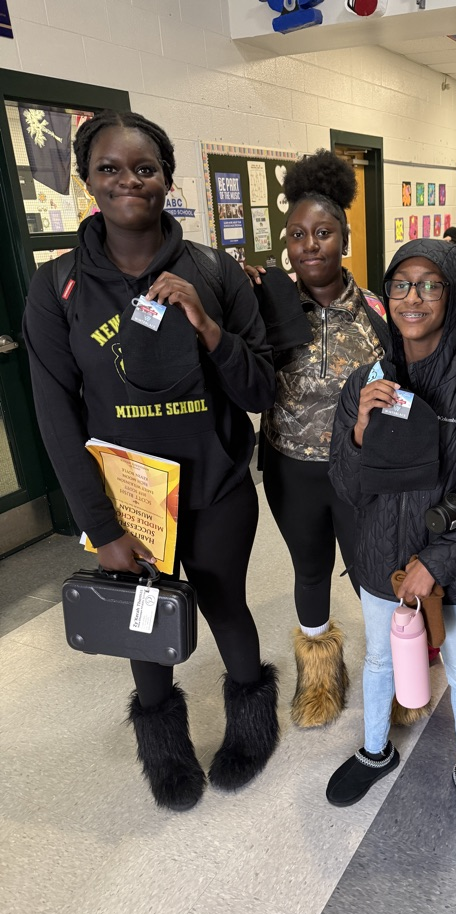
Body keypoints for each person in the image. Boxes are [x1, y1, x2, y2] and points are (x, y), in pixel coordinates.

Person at [23, 111, 278, 812]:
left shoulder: (215, 271)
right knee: (143, 621)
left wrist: (208, 325)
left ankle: (252, 726)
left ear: (168, 178)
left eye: (145, 168)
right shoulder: (57, 287)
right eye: (109, 168)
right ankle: (163, 750)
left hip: (219, 487)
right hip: (130, 503)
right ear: (87, 181)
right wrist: (101, 527)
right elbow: (56, 416)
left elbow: (259, 389)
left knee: (228, 608)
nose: (128, 180)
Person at [326, 238, 456, 842]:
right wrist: (361, 431)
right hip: (378, 561)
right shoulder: (366, 381)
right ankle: (374, 750)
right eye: (400, 284)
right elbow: (345, 484)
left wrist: (436, 562)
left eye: (429, 284)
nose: (412, 297)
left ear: (452, 295)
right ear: (385, 294)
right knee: (379, 659)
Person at [245, 150, 388, 728]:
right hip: (290, 470)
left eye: (322, 233)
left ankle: (393, 674)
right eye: (297, 234)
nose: (309, 245)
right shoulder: (266, 308)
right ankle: (319, 685)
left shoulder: (378, 313)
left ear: (344, 239)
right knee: (309, 570)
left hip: (360, 472)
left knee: (375, 574)